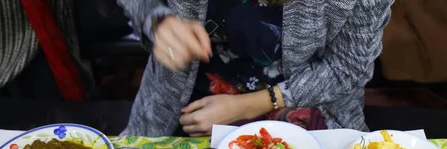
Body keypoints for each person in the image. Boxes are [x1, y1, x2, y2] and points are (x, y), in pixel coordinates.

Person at [117, 0, 393, 136]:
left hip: (310, 105)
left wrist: (247, 106)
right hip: (181, 105)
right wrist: (156, 19)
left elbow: (347, 66)